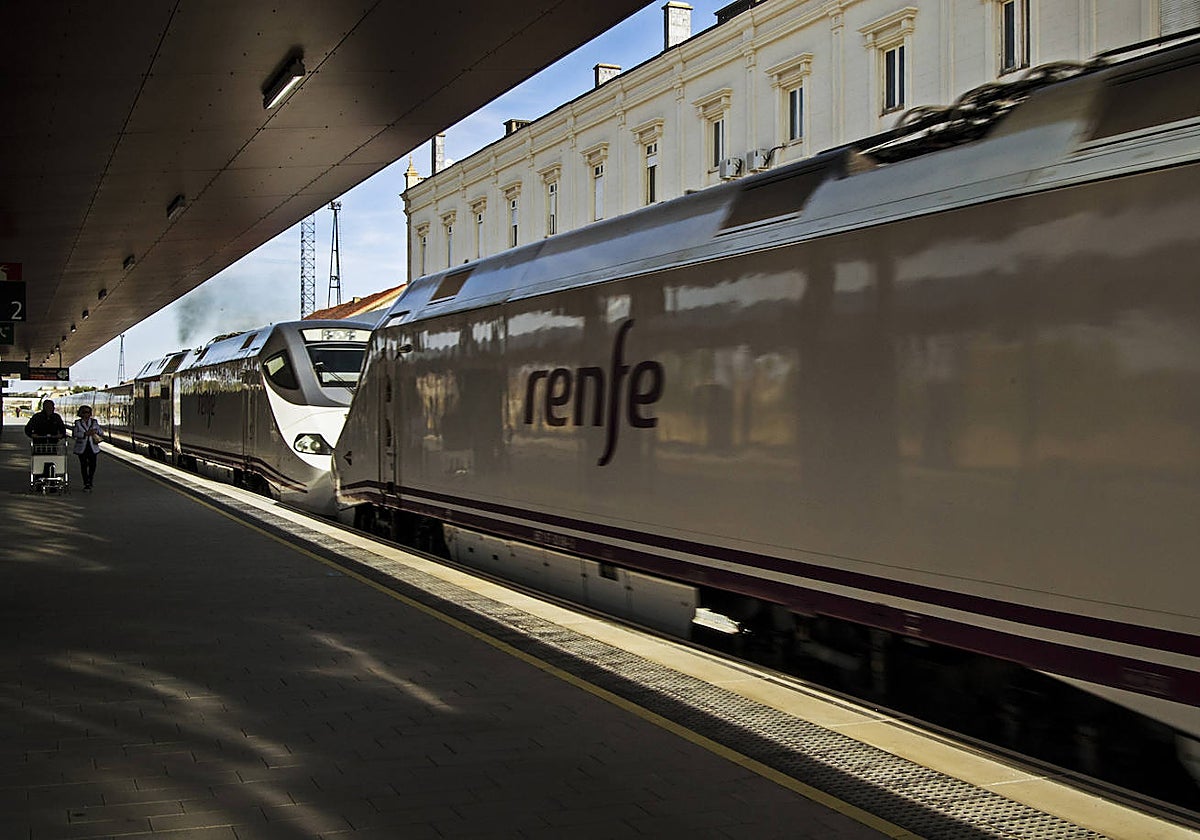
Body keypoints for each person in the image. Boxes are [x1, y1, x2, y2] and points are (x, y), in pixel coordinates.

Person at [71, 405, 103, 490]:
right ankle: (86, 482)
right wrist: (85, 434)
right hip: (82, 448)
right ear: (81, 413)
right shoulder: (77, 423)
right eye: (85, 412)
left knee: (93, 465)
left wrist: (96, 431)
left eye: (88, 412)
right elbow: (74, 434)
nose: (87, 414)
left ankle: (90, 479)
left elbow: (101, 431)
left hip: (93, 447)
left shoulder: (94, 422)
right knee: (84, 465)